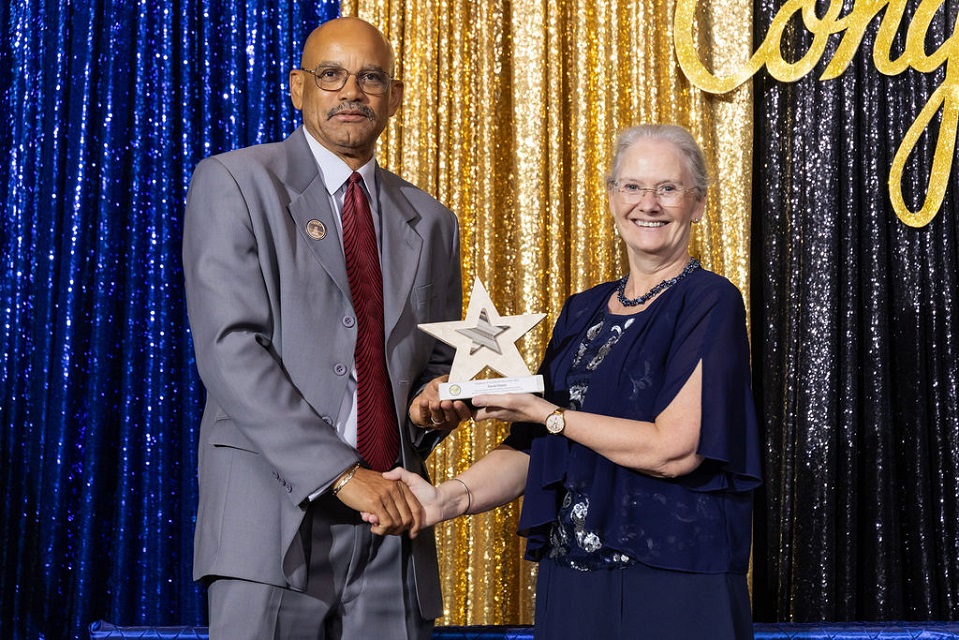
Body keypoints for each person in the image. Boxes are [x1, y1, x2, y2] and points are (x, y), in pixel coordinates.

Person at [391, 124, 762, 639]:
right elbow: (533, 449)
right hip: (573, 579)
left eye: (668, 188)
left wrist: (547, 413)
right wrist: (443, 500)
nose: (648, 204)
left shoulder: (710, 301)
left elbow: (674, 450)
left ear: (697, 204)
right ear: (612, 198)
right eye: (632, 187)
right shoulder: (582, 311)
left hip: (673, 581)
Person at [182, 17, 469, 640]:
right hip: (270, 521)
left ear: (395, 96)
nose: (352, 93)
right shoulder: (235, 182)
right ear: (298, 87)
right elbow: (231, 349)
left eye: (371, 78)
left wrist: (433, 402)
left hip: (393, 525)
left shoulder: (433, 221)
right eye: (331, 75)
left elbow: (438, 361)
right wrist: (341, 474)